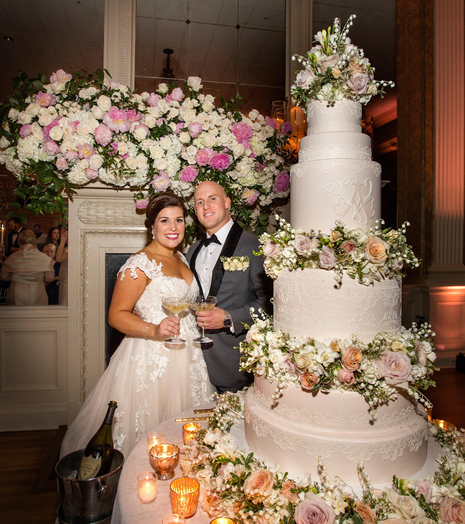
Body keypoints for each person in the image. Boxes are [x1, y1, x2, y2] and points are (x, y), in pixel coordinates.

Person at [60, 193, 215, 460]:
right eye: (164, 221)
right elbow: (116, 316)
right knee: (152, 430)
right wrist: (154, 329)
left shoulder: (182, 259)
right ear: (151, 226)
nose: (173, 227)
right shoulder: (138, 265)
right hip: (153, 357)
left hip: (189, 355)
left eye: (179, 220)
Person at [187, 181, 273, 393]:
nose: (206, 206)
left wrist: (228, 318)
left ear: (227, 202)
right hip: (192, 362)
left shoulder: (256, 246)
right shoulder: (192, 250)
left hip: (235, 363)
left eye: (212, 199)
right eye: (199, 202)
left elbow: (272, 305)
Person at [0, 230, 55, 305]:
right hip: (37, 292)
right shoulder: (43, 257)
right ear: (34, 240)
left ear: (19, 241)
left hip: (16, 293)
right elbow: (50, 278)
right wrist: (39, 280)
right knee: (37, 315)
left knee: (18, 316)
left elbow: (3, 276)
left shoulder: (12, 257)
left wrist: (16, 277)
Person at [55, 229, 68, 305]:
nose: (62, 233)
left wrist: (62, 241)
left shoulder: (72, 248)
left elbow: (59, 258)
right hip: (64, 282)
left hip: (67, 283)